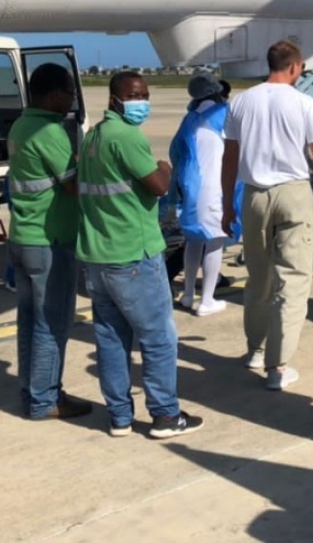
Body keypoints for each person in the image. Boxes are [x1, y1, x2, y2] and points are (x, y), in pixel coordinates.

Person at [78, 71, 202, 438]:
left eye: (145, 94)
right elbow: (159, 184)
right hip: (133, 252)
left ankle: (119, 416)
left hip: (98, 254)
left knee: (111, 338)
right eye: (136, 94)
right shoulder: (127, 137)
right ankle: (165, 414)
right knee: (158, 337)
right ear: (116, 99)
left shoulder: (93, 137)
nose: (142, 101)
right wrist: (165, 167)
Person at [221, 40, 313, 391]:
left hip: (255, 195)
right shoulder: (305, 104)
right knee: (293, 280)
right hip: (294, 192)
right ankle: (278, 365)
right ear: (295, 67)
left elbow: (229, 160)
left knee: (259, 278)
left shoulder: (241, 101)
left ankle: (255, 349)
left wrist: (227, 203)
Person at [6, 63, 92, 420]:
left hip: (24, 237)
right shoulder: (49, 131)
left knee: (29, 321)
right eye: (70, 91)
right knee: (51, 322)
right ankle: (44, 400)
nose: (72, 98)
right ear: (54, 94)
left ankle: (32, 390)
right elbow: (73, 184)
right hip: (49, 239)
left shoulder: (21, 125)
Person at [170, 72, 237, 316]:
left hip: (189, 187)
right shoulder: (222, 115)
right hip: (211, 187)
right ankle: (207, 300)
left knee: (194, 240)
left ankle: (188, 294)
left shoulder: (190, 118)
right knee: (215, 240)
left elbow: (175, 153)